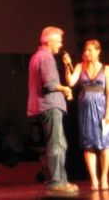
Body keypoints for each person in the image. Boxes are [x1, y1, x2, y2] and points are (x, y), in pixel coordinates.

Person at [28, 26, 78, 194]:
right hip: (50, 105)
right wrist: (65, 89)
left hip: (46, 105)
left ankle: (61, 180)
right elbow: (50, 85)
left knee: (59, 143)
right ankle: (56, 181)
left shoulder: (37, 56)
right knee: (56, 144)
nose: (61, 44)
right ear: (49, 42)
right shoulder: (46, 57)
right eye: (59, 41)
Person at [64, 39, 109, 191]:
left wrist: (108, 113)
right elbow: (70, 82)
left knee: (104, 145)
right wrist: (66, 65)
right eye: (86, 50)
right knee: (88, 145)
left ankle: (103, 178)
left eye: (90, 50)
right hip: (85, 110)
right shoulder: (79, 66)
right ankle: (94, 180)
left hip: (102, 110)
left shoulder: (106, 69)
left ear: (98, 52)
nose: (87, 53)